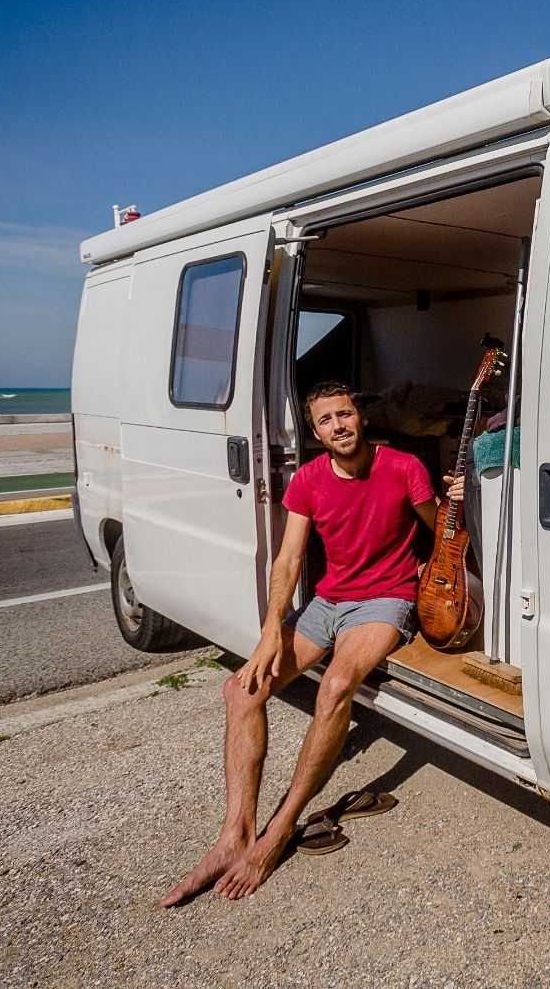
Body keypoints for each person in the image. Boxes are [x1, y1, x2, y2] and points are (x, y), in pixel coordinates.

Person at [160, 380, 464, 905]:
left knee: (336, 687)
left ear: (361, 417)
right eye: (326, 421)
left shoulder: (403, 467)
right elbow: (288, 560)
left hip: (386, 600)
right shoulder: (307, 480)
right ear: (316, 431)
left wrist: (451, 502)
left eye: (345, 415)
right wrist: (267, 636)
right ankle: (235, 832)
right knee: (241, 690)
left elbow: (442, 534)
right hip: (327, 602)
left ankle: (279, 830)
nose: (338, 426)